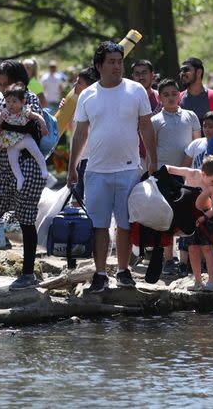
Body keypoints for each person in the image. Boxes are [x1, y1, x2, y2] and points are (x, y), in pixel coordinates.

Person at [67, 41, 157, 293]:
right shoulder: (87, 94)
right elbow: (80, 133)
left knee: (125, 224)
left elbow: (146, 127)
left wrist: (153, 160)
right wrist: (72, 167)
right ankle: (99, 273)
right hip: (95, 170)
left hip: (128, 168)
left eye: (120, 61)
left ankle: (123, 270)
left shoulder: (136, 90)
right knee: (99, 225)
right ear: (99, 66)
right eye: (112, 62)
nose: (118, 66)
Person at [0, 60, 48, 290]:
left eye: (7, 83)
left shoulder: (29, 97)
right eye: (0, 84)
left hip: (28, 167)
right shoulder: (3, 100)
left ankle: (27, 272)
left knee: (26, 219)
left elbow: (32, 128)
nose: (3, 89)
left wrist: (5, 129)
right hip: (3, 165)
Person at [152, 78, 200, 277]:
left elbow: (198, 144)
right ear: (160, 98)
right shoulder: (155, 121)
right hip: (164, 175)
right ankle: (168, 258)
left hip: (188, 174)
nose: (171, 97)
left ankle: (184, 261)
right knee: (166, 217)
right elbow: (151, 149)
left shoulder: (190, 116)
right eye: (166, 94)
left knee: (187, 217)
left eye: (174, 93)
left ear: (179, 94)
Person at [166, 156, 213, 292]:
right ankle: (198, 281)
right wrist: (161, 170)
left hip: (205, 218)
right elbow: (171, 169)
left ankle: (211, 281)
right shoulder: (191, 173)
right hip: (188, 218)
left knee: (207, 248)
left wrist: (204, 217)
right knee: (192, 249)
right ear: (204, 174)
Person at [0, 84, 49, 191]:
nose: (10, 104)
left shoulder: (25, 110)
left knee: (34, 150)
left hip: (24, 137)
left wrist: (43, 127)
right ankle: (19, 177)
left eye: (14, 101)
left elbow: (38, 117)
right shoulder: (4, 113)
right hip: (10, 142)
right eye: (8, 101)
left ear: (22, 102)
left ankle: (43, 168)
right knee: (12, 161)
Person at [67, 66, 99, 201]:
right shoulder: (77, 103)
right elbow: (70, 128)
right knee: (77, 202)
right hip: (78, 159)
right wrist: (66, 110)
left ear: (89, 86)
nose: (75, 85)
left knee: (88, 201)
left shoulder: (96, 103)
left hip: (90, 159)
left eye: (79, 82)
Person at [179, 57, 213, 127]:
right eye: (181, 71)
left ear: (199, 72)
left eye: (186, 70)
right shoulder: (177, 99)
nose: (182, 73)